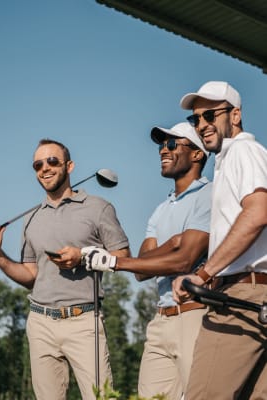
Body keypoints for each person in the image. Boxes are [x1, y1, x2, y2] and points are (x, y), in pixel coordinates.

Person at [0, 138, 130, 400]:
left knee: (102, 397)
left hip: (84, 321)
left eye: (52, 161)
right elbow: (30, 277)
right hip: (40, 322)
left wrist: (82, 257)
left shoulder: (99, 208)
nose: (44, 168)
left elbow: (122, 256)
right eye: (37, 165)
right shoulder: (31, 217)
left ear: (69, 166)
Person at [81, 122, 212, 399]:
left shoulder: (209, 195)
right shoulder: (161, 210)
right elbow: (142, 269)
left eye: (173, 144)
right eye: (162, 145)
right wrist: (172, 243)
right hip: (160, 321)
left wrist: (114, 262)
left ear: (198, 154)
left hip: (196, 316)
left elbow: (183, 261)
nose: (164, 149)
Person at [172, 81, 267, 400]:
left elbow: (257, 213)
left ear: (235, 115)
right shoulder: (232, 159)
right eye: (195, 119)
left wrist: (203, 274)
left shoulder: (243, 151)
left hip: (242, 296)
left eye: (210, 115)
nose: (202, 125)